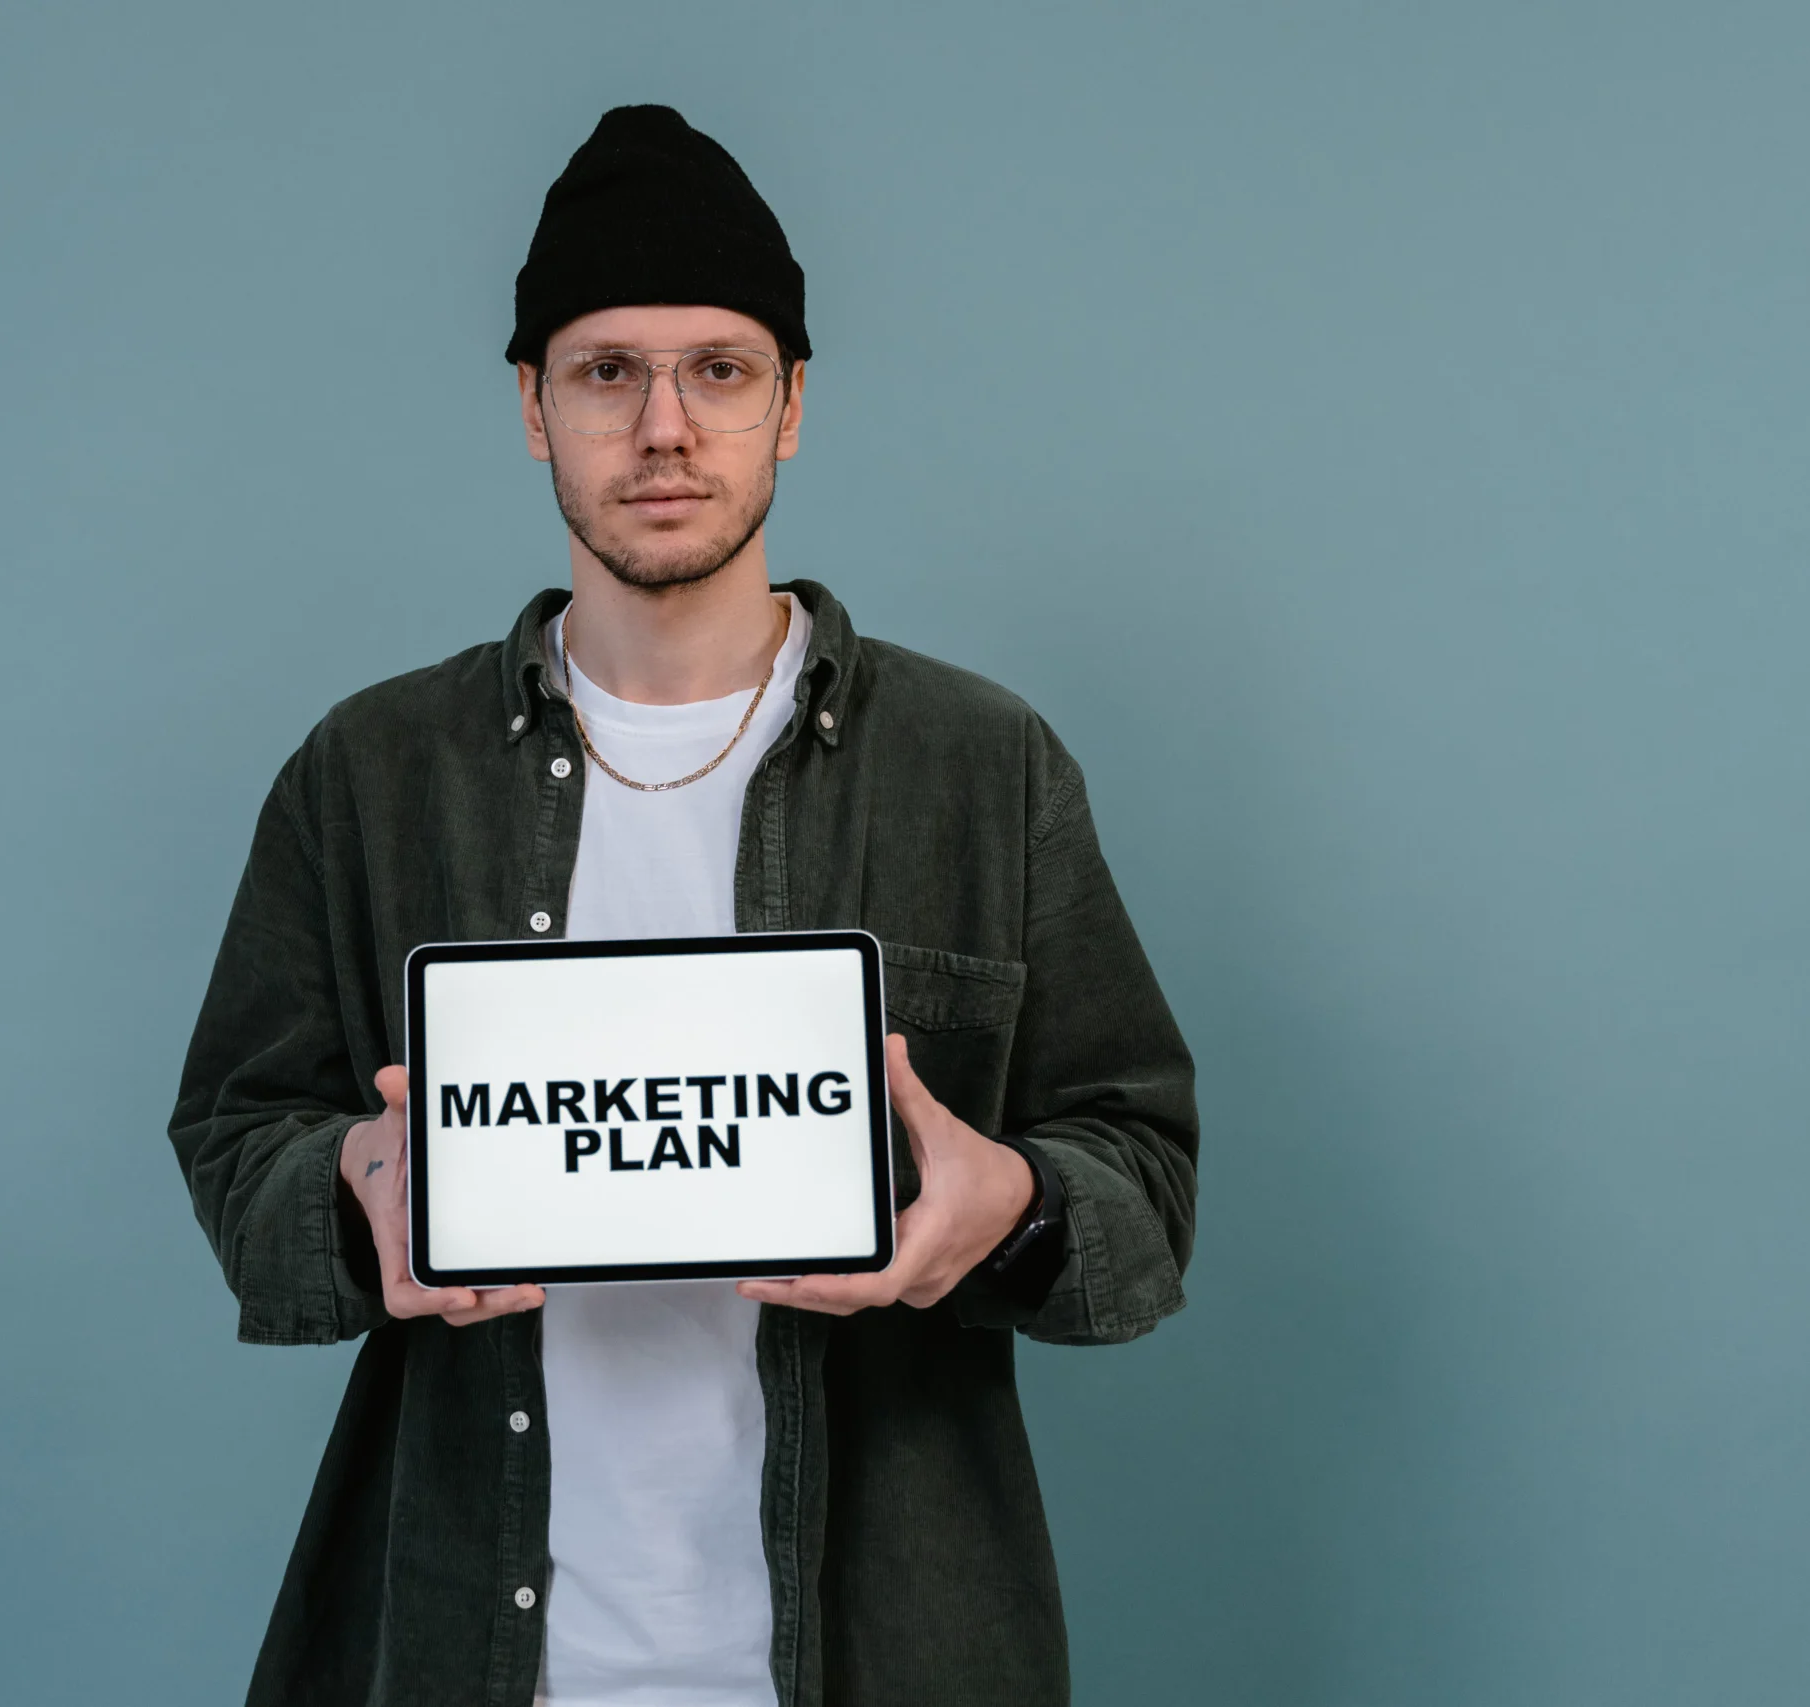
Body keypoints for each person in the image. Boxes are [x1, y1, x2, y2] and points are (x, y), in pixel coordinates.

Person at [169, 104, 1198, 1707]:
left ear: (793, 405)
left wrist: (1011, 1205)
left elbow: (1141, 1172)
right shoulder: (371, 771)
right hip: (466, 1650)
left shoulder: (982, 766)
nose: (664, 426)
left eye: (718, 369)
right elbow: (238, 1131)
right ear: (533, 407)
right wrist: (357, 1176)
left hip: (892, 1652)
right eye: (606, 371)